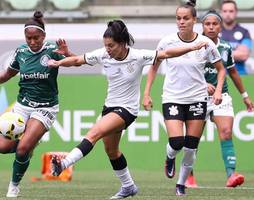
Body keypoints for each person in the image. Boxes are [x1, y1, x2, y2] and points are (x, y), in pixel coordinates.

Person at [48, 19, 207, 199]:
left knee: (94, 133)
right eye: (106, 45)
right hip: (109, 107)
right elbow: (77, 60)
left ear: (122, 43)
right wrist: (62, 60)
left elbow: (167, 54)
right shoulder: (103, 54)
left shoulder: (138, 56)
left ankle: (64, 164)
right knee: (112, 151)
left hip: (127, 110)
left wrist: (191, 48)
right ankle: (128, 186)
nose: (108, 49)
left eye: (111, 45)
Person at [0, 11, 73, 198]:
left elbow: (77, 62)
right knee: (2, 147)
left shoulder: (53, 49)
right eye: (28, 38)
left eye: (36, 38)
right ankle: (30, 143)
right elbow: (8, 73)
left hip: (45, 107)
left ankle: (14, 186)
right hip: (22, 106)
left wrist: (67, 54)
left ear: (43, 36)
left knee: (22, 149)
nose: (32, 41)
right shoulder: (21, 52)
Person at [143, 0, 226, 196]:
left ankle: (181, 184)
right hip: (172, 97)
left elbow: (221, 69)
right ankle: (169, 156)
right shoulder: (167, 41)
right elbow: (154, 67)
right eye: (178, 18)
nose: (181, 22)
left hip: (197, 98)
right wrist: (146, 93)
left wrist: (218, 90)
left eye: (186, 18)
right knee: (177, 141)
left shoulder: (205, 43)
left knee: (191, 146)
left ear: (194, 20)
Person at [185, 9, 254, 189]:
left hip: (221, 95)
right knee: (193, 138)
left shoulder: (225, 47)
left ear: (220, 26)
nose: (210, 27)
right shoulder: (193, 45)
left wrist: (245, 96)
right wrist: (201, 85)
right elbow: (185, 72)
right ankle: (188, 176)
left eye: (214, 24)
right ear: (202, 26)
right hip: (197, 96)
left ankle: (231, 175)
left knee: (225, 132)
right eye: (207, 24)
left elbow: (232, 72)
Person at [220, 0, 252, 75]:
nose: (228, 14)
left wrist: (219, 53)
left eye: (231, 11)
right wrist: (236, 51)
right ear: (221, 12)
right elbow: (208, 55)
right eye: (225, 11)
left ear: (236, 12)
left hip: (240, 75)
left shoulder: (244, 32)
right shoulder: (213, 31)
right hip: (219, 76)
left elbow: (243, 55)